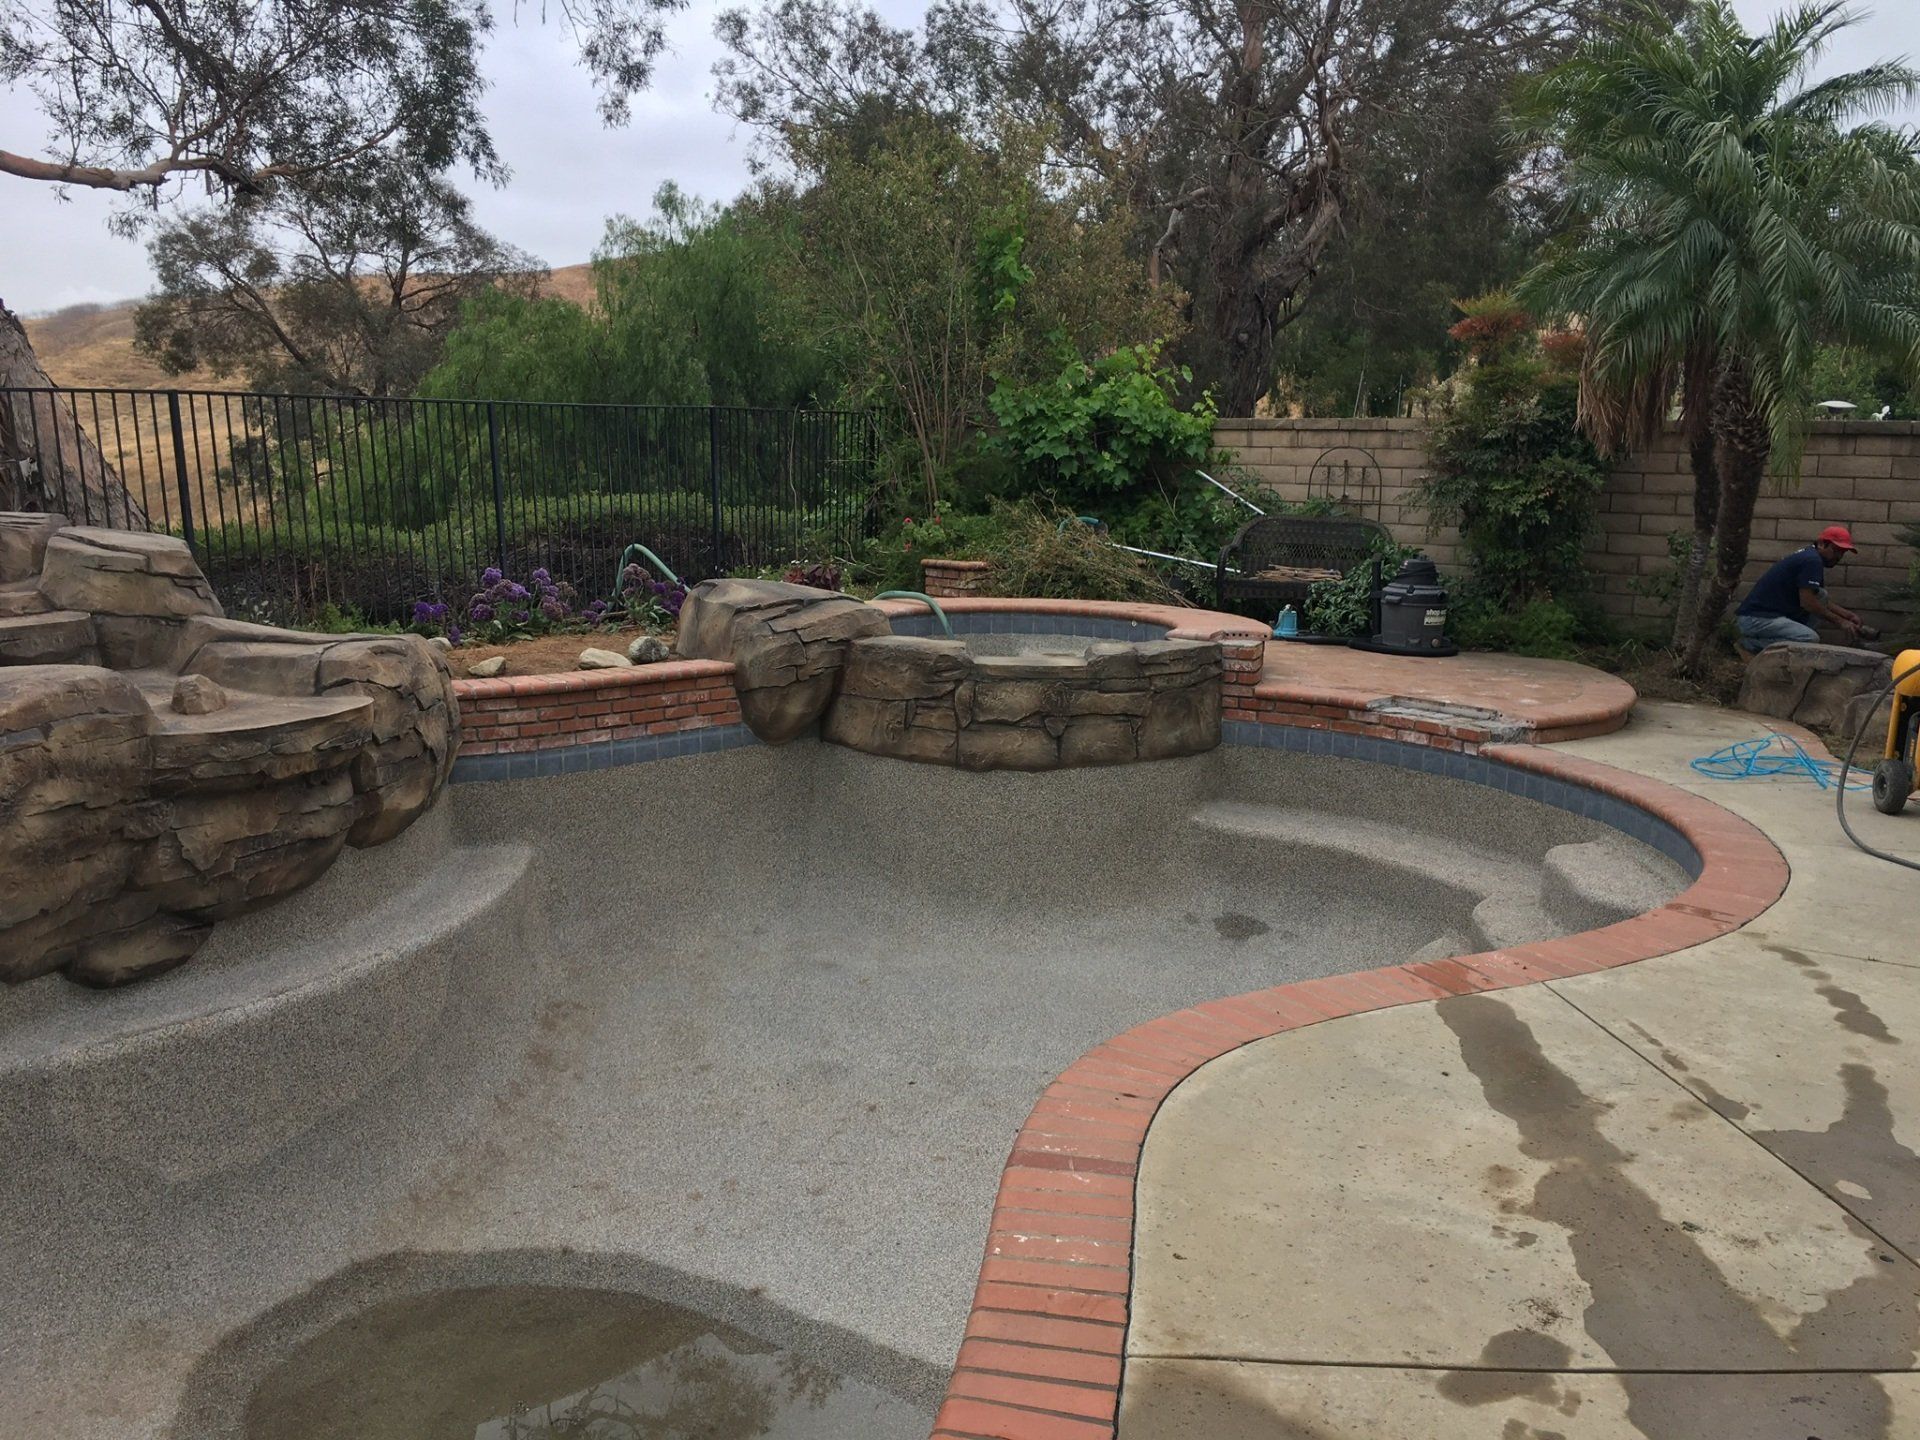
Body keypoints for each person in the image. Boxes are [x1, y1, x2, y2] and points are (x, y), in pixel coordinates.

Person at [1735, 525, 1864, 652]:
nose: (1838, 557)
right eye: (1836, 550)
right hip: (1756, 619)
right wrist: (1840, 622)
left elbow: (1815, 598)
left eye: (1842, 553)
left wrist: (1847, 615)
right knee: (1808, 639)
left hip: (1764, 617)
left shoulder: (1810, 556)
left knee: (1821, 594)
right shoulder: (1812, 561)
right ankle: (1750, 644)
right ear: (1821, 544)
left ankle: (1796, 644)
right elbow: (1808, 603)